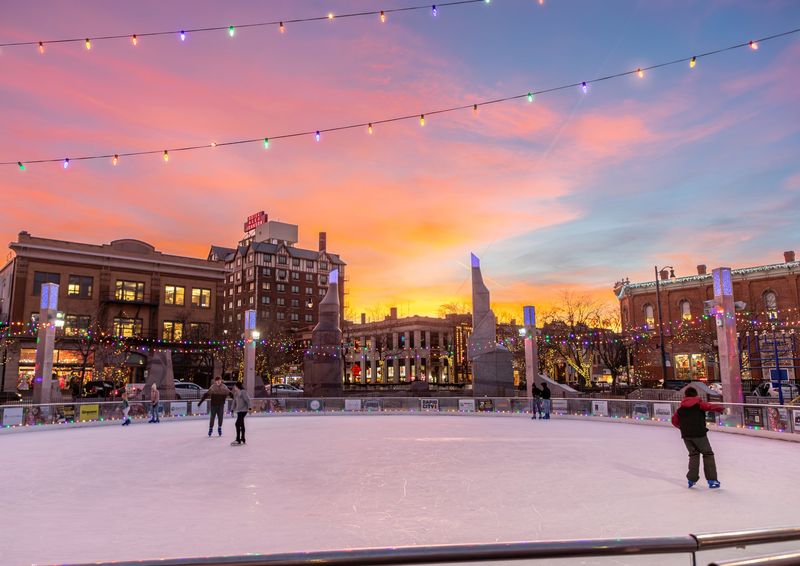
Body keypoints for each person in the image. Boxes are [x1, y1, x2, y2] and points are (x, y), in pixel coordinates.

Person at [671, 387, 724, 489]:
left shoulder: (680, 409)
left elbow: (674, 421)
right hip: (699, 434)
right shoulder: (699, 404)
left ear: (685, 396)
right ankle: (712, 480)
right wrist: (720, 409)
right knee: (707, 454)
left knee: (693, 455)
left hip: (686, 436)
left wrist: (683, 428)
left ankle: (691, 479)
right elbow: (710, 406)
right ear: (695, 395)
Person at [231, 382, 251, 446]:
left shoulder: (243, 392)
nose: (234, 387)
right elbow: (234, 402)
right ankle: (243, 438)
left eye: (235, 386)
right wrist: (232, 409)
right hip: (239, 410)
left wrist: (249, 408)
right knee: (241, 424)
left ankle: (238, 439)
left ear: (237, 386)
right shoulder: (236, 393)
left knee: (237, 424)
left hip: (244, 410)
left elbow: (248, 400)